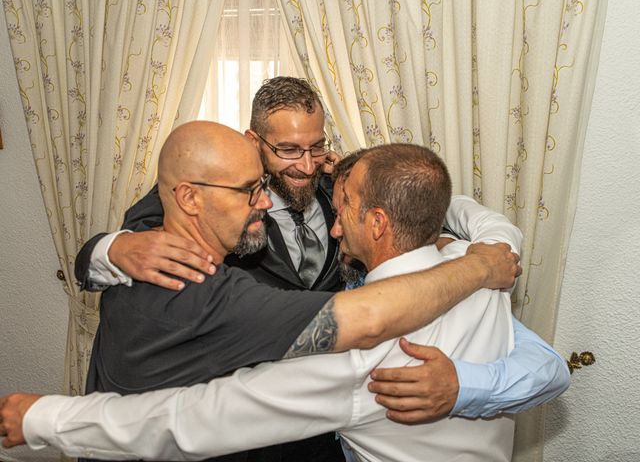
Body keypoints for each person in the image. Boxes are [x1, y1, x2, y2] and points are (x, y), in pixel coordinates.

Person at [0, 144, 540, 460]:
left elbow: (191, 420)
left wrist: (45, 418)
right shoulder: (488, 261)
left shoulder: (361, 360)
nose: (332, 224)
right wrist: (110, 247)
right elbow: (483, 217)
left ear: (378, 222)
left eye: (345, 207)